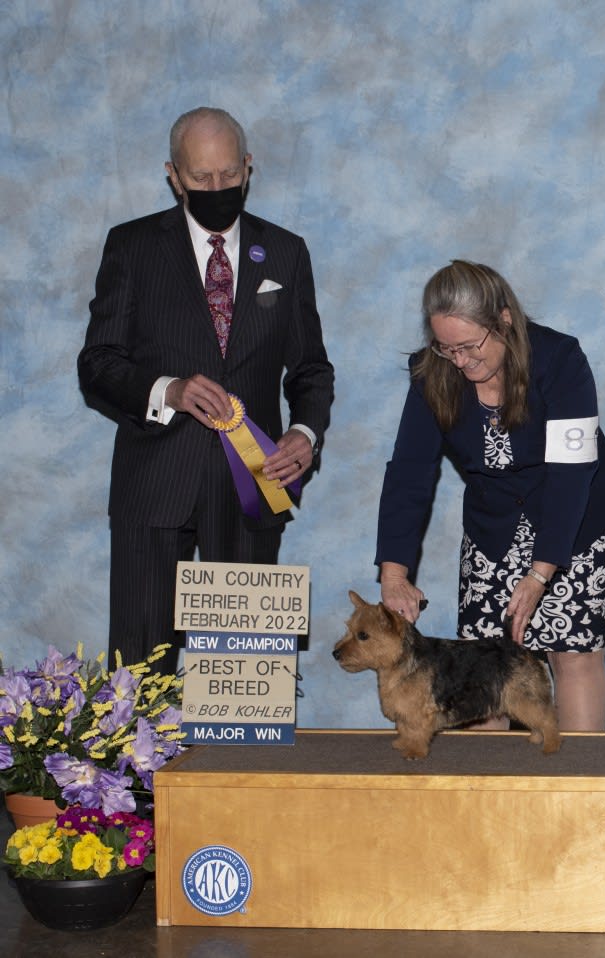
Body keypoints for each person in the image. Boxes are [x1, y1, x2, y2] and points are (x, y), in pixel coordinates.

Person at [78, 106, 334, 666]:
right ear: (174, 175)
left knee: (242, 674)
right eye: (200, 178)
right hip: (154, 485)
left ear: (248, 167)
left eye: (228, 175)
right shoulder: (132, 247)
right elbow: (96, 364)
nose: (217, 188)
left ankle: (235, 758)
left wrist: (304, 434)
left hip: (252, 483)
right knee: (142, 670)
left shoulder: (286, 251)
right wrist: (167, 390)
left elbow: (312, 368)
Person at [376, 260, 605, 731]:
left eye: (470, 346)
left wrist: (540, 573)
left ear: (504, 321)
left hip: (578, 520)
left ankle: (580, 789)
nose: (461, 361)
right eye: (446, 348)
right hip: (494, 525)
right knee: (482, 664)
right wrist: (394, 574)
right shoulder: (432, 373)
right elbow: (409, 472)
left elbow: (571, 475)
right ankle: (489, 797)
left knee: (571, 653)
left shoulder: (559, 359)